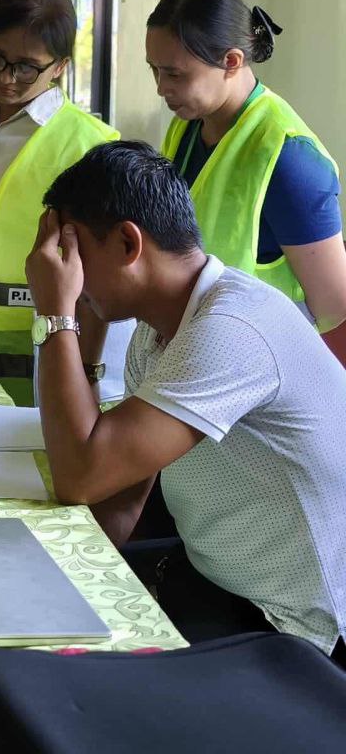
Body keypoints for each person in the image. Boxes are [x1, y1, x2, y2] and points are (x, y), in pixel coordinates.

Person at [26, 141, 346, 661]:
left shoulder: (231, 331)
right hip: (218, 583)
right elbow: (114, 502)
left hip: (301, 631)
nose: (68, 273)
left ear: (129, 244)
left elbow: (82, 475)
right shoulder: (158, 336)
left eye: (73, 253)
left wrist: (57, 312)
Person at [0, 0, 118, 405]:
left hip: (33, 344)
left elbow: (95, 274)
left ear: (60, 67)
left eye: (25, 67)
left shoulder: (91, 143)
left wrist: (86, 369)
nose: (5, 77)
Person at [148, 0, 346, 364]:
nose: (160, 88)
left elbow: (336, 311)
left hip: (264, 373)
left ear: (231, 61)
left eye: (174, 74)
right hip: (198, 358)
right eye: (154, 70)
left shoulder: (288, 158)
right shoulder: (187, 126)